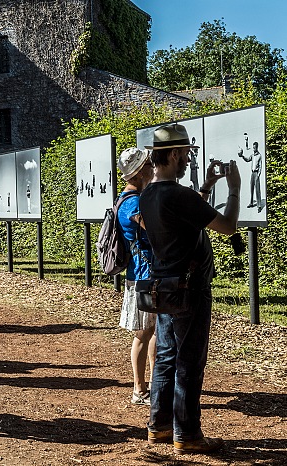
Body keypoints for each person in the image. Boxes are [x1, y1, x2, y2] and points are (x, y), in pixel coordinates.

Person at [140, 123, 240, 454]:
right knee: (190, 361)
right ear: (170, 155)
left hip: (165, 287)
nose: (187, 161)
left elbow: (187, 213)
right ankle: (188, 434)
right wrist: (235, 190)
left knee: (167, 356)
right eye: (183, 154)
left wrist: (208, 186)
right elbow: (226, 227)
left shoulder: (148, 194)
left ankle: (160, 427)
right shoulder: (177, 194)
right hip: (190, 288)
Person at [116, 147, 156, 406]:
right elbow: (156, 227)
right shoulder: (132, 203)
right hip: (144, 275)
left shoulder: (131, 198)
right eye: (150, 165)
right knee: (144, 332)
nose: (153, 168)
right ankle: (140, 389)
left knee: (153, 331)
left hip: (144, 274)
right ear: (140, 172)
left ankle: (153, 383)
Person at [238, 140, 263, 212]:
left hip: (256, 173)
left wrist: (258, 175)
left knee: (257, 190)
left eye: (254, 148)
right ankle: (251, 203)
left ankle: (259, 206)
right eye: (253, 148)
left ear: (257, 148)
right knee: (251, 188)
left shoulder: (259, 156)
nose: (253, 149)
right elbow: (247, 159)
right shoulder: (252, 155)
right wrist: (242, 156)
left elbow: (260, 166)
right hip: (252, 173)